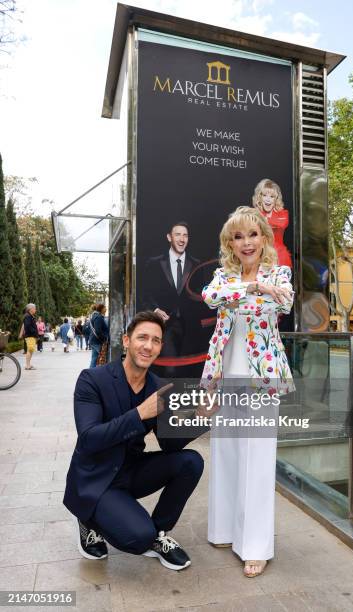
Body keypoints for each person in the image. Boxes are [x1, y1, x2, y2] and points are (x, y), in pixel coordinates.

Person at [63, 310, 204, 571]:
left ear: (161, 347)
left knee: (191, 461)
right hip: (96, 479)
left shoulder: (158, 386)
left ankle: (159, 534)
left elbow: (170, 445)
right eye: (142, 338)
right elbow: (90, 438)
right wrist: (140, 414)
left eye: (156, 340)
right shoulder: (92, 380)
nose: (148, 346)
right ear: (126, 341)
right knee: (138, 537)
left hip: (131, 471)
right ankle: (87, 517)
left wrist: (201, 417)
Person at [201, 206, 295, 578]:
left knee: (257, 456)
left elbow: (284, 299)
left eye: (252, 235)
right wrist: (253, 286)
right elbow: (211, 297)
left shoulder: (280, 273)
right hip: (226, 373)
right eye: (238, 237)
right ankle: (224, 529)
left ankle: (256, 545)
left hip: (261, 376)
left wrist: (262, 287)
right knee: (225, 450)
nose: (246, 243)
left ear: (264, 238)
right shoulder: (223, 276)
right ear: (230, 243)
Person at [141, 221, 204, 377]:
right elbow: (144, 294)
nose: (182, 239)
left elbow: (201, 295)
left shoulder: (197, 264)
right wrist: (155, 309)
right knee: (169, 371)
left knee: (189, 372)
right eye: (178, 234)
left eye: (185, 235)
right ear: (169, 237)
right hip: (165, 326)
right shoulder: (154, 263)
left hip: (191, 328)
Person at [252, 178, 292, 268]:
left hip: (280, 257)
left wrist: (263, 220)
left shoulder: (283, 213)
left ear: (276, 199)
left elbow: (282, 224)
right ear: (259, 197)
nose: (268, 200)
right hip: (259, 256)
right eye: (265, 195)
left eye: (272, 196)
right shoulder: (254, 214)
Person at [23, 303, 38, 370]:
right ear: (30, 309)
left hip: (32, 336)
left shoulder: (30, 316)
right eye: (34, 308)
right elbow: (27, 326)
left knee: (31, 350)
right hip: (30, 336)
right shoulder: (28, 316)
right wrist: (34, 331)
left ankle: (28, 364)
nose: (35, 310)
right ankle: (27, 365)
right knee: (30, 350)